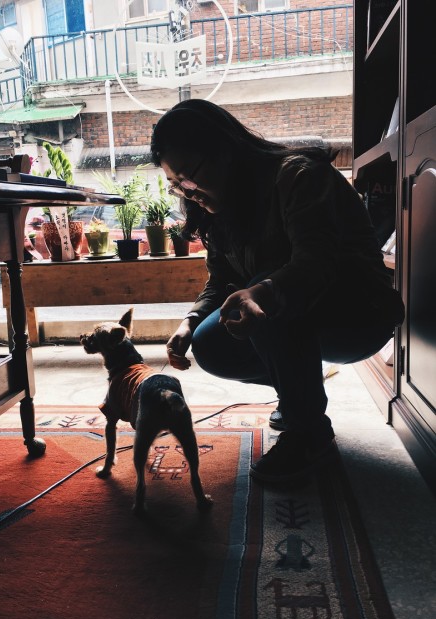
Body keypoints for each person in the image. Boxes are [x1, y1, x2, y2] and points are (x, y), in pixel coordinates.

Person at [150, 99, 404, 485]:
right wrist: (191, 320)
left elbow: (317, 262)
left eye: (189, 177)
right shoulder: (218, 209)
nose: (187, 192)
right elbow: (220, 280)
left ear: (225, 151)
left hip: (359, 314)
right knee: (209, 344)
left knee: (264, 296)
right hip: (295, 316)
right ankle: (297, 392)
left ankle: (309, 434)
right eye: (175, 184)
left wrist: (261, 292)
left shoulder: (300, 176)